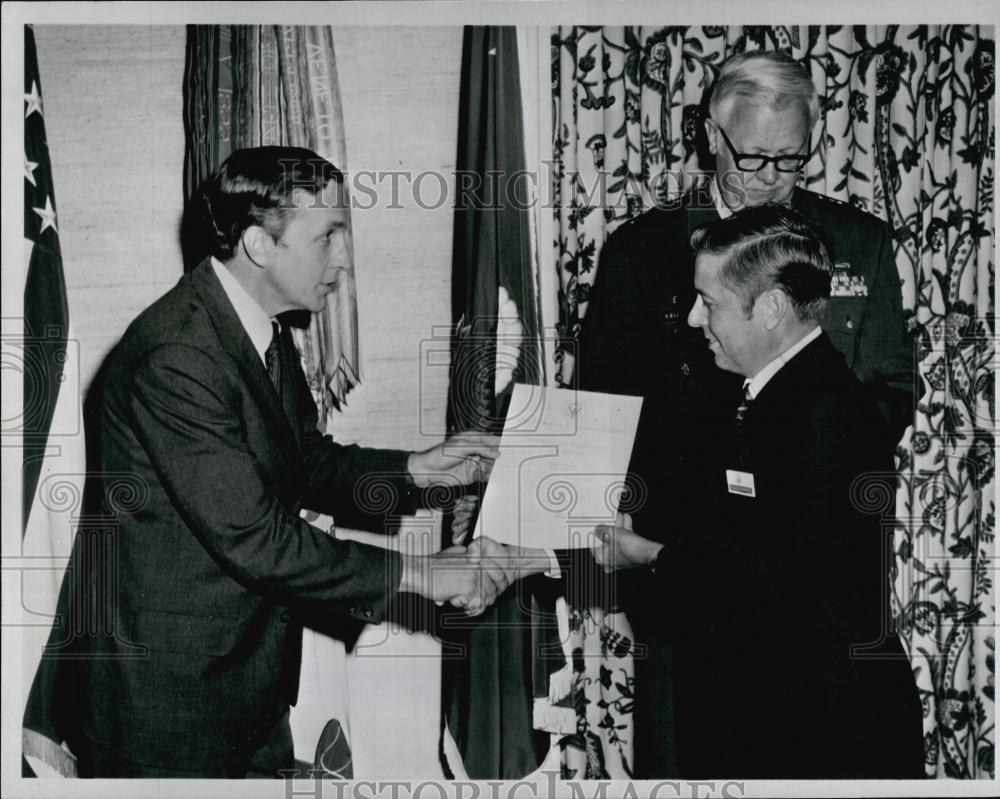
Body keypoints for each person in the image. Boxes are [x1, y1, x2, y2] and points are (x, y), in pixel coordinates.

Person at [63, 146, 510, 778]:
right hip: (168, 711)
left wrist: (419, 470)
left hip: (245, 690)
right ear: (259, 245)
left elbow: (305, 460)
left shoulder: (261, 329)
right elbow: (256, 539)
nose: (346, 259)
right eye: (329, 236)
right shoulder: (178, 356)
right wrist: (421, 575)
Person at [574, 49, 917, 775]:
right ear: (708, 135)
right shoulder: (642, 251)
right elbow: (599, 405)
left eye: (791, 160)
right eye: (752, 156)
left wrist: (798, 463)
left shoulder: (858, 243)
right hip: (682, 572)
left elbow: (887, 389)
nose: (770, 179)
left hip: (808, 574)